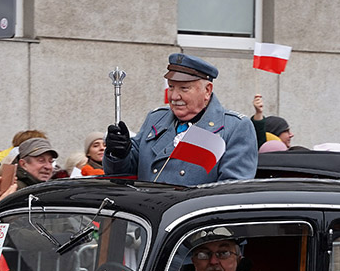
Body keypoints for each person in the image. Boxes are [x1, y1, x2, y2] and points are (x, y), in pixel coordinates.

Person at [105, 53, 257, 184]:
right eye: (171, 87)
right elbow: (122, 176)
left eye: (184, 88)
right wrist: (119, 154)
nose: (174, 96)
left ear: (207, 90)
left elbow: (230, 193)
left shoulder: (234, 127)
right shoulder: (155, 118)